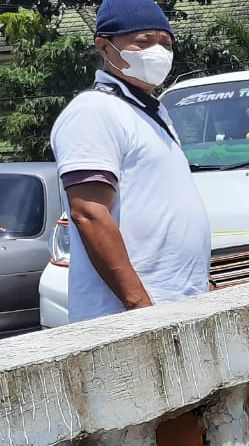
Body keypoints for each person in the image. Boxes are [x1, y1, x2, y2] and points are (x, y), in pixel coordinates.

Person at [50, 0, 210, 323]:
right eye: (143, 41)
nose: (158, 50)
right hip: (126, 318)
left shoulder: (155, 113)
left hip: (174, 307)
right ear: (104, 47)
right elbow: (90, 214)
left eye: (165, 42)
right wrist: (140, 307)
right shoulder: (93, 110)